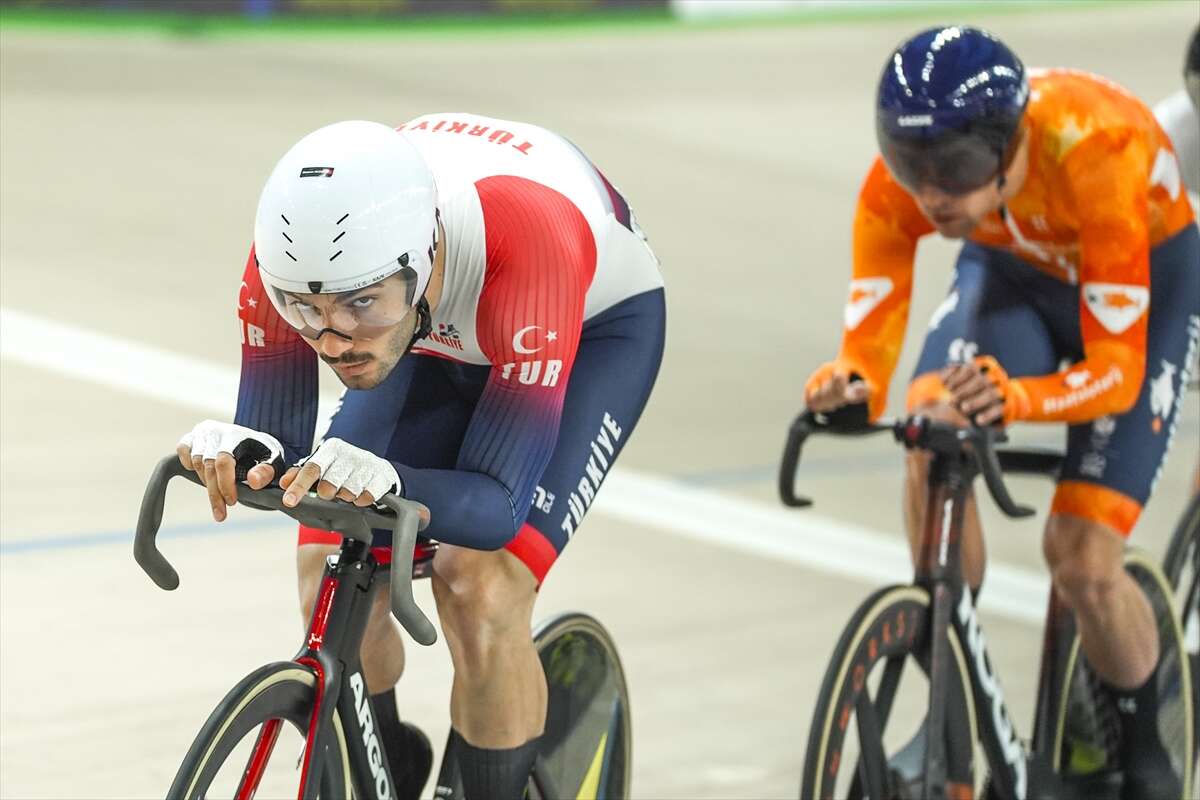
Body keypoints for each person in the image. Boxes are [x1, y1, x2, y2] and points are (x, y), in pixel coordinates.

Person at [176, 116, 665, 799]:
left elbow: (496, 505)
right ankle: (386, 769)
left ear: (424, 257)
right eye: (305, 313)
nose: (336, 339)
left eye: (359, 306)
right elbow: (276, 447)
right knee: (326, 561)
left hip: (584, 327)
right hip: (431, 330)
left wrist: (395, 478)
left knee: (480, 585)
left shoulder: (531, 243)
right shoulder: (290, 262)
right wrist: (239, 449)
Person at [803, 26, 1199, 799]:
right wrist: (851, 379)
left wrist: (1015, 397)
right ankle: (948, 655)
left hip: (1142, 291)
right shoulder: (917, 185)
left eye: (953, 168)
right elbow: (871, 328)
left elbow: (1114, 376)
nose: (931, 193)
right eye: (908, 162)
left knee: (1082, 558)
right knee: (931, 423)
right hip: (1016, 266)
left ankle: (1149, 749)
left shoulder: (1100, 150)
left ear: (1012, 143)